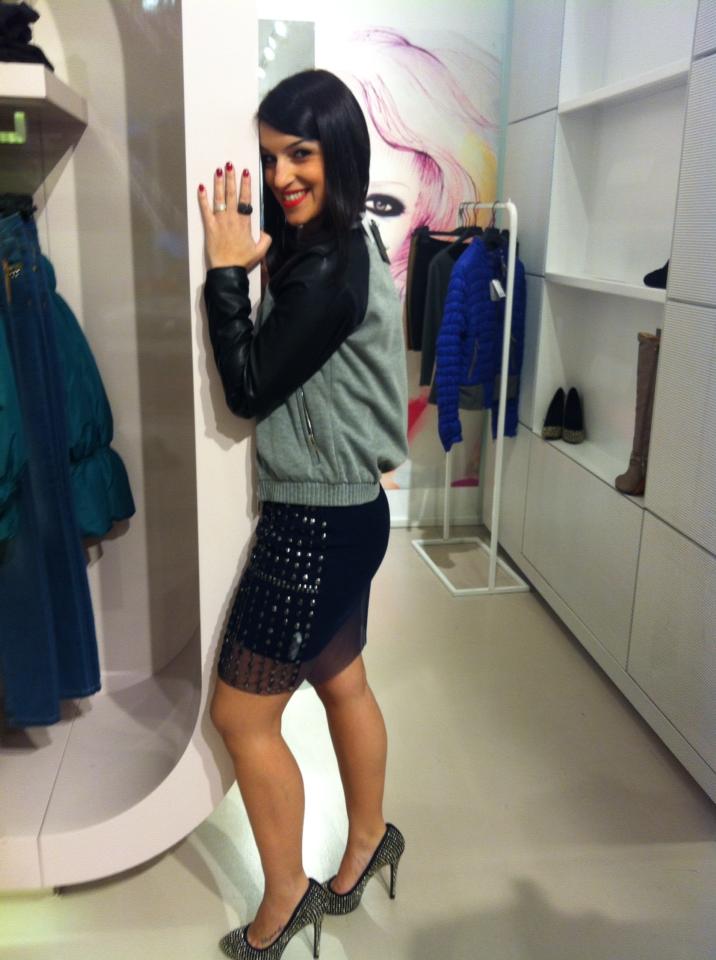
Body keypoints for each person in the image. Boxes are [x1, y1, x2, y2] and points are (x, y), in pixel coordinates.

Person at [198, 69, 408, 960]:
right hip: (353, 511)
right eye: (270, 156)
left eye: (301, 155)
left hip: (315, 525)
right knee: (343, 682)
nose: (282, 175)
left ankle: (287, 897)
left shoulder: (325, 268)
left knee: (242, 718)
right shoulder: (343, 240)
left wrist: (223, 275)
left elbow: (248, 388)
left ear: (339, 153)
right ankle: (370, 842)